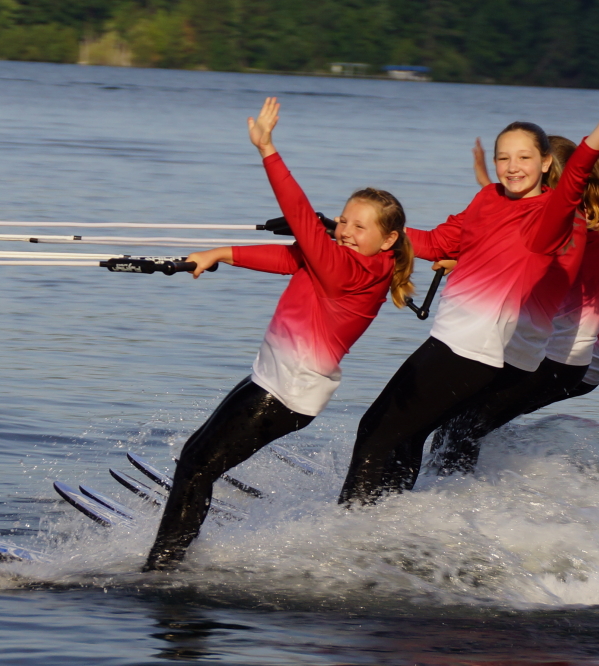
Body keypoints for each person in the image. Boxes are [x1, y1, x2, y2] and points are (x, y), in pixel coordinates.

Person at [338, 79, 599, 505]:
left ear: (547, 163)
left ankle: (357, 523)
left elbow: (576, 179)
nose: (512, 166)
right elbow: (438, 242)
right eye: (503, 158)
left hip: (479, 348)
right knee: (405, 432)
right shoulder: (489, 199)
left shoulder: (555, 218)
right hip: (458, 340)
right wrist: (349, 232)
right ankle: (396, 514)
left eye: (525, 158)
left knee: (383, 429)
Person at [144, 97, 414, 570]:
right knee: (195, 460)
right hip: (273, 381)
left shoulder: (348, 271)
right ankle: (169, 560)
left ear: (388, 240)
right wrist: (220, 253)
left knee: (196, 468)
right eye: (344, 220)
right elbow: (290, 258)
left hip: (284, 393)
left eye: (359, 226)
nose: (346, 230)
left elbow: (303, 221)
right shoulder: (349, 262)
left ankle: (162, 570)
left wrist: (268, 149)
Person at [432, 146, 599, 474]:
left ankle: (449, 494)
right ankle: (465, 482)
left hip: (576, 363)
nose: (586, 207)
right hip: (542, 356)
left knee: (462, 424)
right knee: (461, 419)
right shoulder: (563, 237)